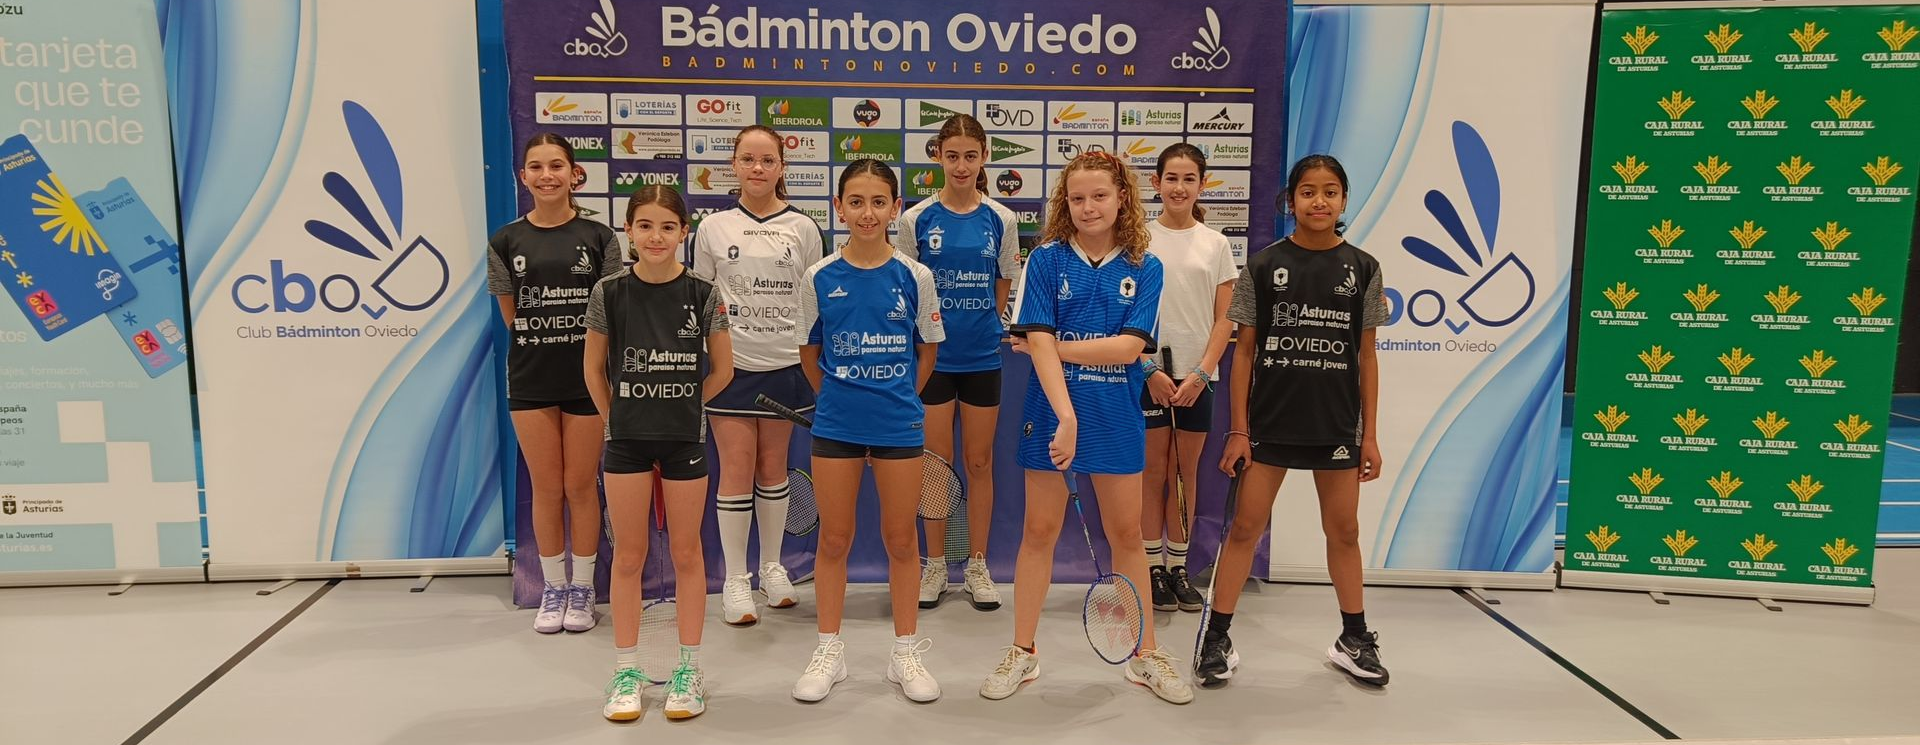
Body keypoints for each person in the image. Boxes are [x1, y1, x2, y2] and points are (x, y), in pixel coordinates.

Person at [978, 151, 1191, 705]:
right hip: (1052, 414)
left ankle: (1144, 654)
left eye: (1099, 195)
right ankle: (1023, 651)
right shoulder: (1046, 260)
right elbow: (1036, 339)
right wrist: (1066, 415)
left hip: (1117, 416)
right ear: (1064, 203)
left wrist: (1050, 345)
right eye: (1077, 198)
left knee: (1127, 536)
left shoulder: (1146, 266)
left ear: (1122, 198)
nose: (1088, 206)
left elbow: (1128, 350)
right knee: (1038, 532)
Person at [1203, 154, 1390, 688]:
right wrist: (1239, 429)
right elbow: (1243, 353)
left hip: (1336, 426)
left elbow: (1367, 356)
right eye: (1308, 191)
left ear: (1344, 200)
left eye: (1330, 191)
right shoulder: (1263, 266)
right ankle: (1216, 637)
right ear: (1291, 200)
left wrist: (1370, 436)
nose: (1319, 201)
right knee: (1245, 528)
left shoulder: (1364, 268)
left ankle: (1353, 638)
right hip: (1270, 425)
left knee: (1345, 531)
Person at [789, 159, 946, 703]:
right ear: (839, 207)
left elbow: (927, 353)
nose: (867, 213)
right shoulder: (818, 277)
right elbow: (810, 355)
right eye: (855, 201)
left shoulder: (916, 276)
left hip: (899, 425)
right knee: (834, 540)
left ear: (896, 208)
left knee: (901, 540)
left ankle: (905, 652)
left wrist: (896, 397)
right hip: (836, 425)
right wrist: (841, 397)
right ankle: (829, 651)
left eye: (879, 202)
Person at [584, 186, 733, 720]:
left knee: (688, 554)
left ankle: (688, 670)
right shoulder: (608, 291)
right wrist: (615, 420)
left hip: (684, 439)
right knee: (629, 556)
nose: (655, 237)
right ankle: (627, 670)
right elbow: (593, 369)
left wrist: (686, 405)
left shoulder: (704, 293)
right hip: (625, 440)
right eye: (644, 226)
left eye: (667, 227)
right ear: (629, 230)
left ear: (683, 233)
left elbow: (723, 370)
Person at [689, 124, 825, 625]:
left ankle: (772, 567)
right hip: (732, 368)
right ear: (734, 165)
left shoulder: (804, 228)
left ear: (782, 167)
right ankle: (734, 579)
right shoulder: (713, 227)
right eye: (748, 159)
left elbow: (813, 304)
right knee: (736, 469)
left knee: (773, 469)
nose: (758, 168)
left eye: (768, 160)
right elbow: (700, 301)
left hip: (786, 364)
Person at [487, 133, 621, 634]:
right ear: (523, 176)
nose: (547, 176)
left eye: (557, 166)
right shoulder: (505, 241)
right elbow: (512, 316)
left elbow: (612, 312)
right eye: (537, 167)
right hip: (530, 380)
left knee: (580, 486)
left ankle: (582, 589)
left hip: (587, 381)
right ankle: (553, 588)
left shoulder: (599, 237)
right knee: (546, 488)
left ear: (574, 173)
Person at [890, 113, 1019, 611]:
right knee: (936, 466)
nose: (961, 166)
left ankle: (978, 565)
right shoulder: (916, 219)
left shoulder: (1001, 219)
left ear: (985, 157)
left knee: (980, 462)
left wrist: (984, 322)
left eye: (970, 156)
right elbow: (907, 286)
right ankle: (936, 564)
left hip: (983, 357)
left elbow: (1003, 282)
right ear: (937, 158)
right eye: (952, 156)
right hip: (933, 360)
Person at [1139, 143, 1236, 613]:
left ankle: (1178, 567)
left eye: (1189, 179)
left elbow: (1225, 319)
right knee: (1151, 471)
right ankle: (1151, 568)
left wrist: (1200, 373)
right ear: (1156, 183)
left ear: (1203, 184)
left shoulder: (1216, 244)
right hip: (1147, 376)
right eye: (1171, 178)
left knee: (1184, 472)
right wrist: (1148, 368)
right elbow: (1124, 312)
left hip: (1198, 380)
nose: (1179, 188)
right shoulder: (1138, 239)